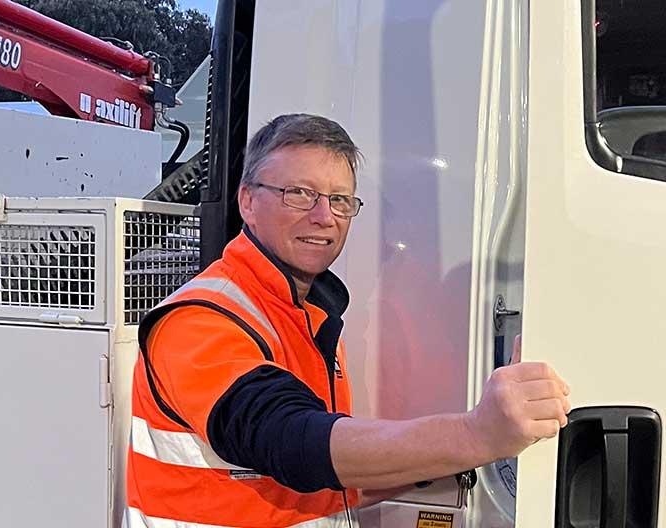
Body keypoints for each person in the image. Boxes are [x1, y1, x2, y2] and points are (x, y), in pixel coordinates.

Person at [126, 113, 571, 527]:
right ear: (247, 201)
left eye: (339, 200)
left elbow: (322, 481)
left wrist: (451, 462)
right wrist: (477, 434)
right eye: (299, 193)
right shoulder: (202, 318)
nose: (324, 217)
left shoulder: (309, 317)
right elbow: (292, 442)